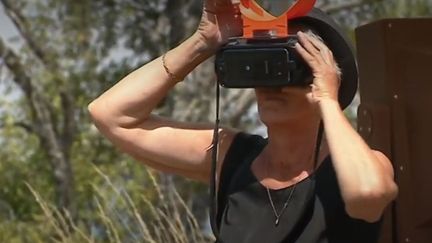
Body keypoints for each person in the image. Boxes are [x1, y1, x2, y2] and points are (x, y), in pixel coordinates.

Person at [88, 0, 398, 242]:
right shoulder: (231, 156)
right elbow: (111, 115)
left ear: (329, 80)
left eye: (292, 66)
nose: (273, 82)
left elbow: (367, 194)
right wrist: (202, 42)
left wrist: (328, 99)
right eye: (260, 62)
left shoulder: (367, 166)